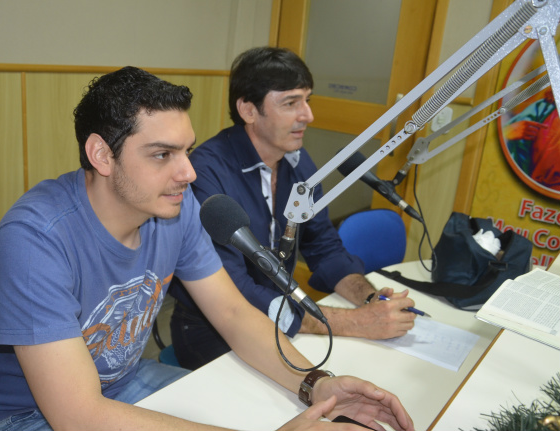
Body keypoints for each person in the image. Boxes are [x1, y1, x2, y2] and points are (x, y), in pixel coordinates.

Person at [0, 66, 414, 431]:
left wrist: (316, 384)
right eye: (162, 155)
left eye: (187, 151)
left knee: (267, 412)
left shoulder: (176, 210)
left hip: (122, 384)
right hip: (23, 415)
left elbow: (233, 315)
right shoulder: (35, 238)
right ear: (101, 155)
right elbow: (78, 417)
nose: (189, 173)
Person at [169, 47, 417, 370]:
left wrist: (370, 300)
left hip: (283, 314)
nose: (308, 116)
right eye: (290, 103)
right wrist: (355, 323)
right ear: (248, 110)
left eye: (307, 100)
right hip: (213, 328)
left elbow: (324, 246)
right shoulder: (206, 173)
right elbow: (235, 291)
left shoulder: (299, 164)